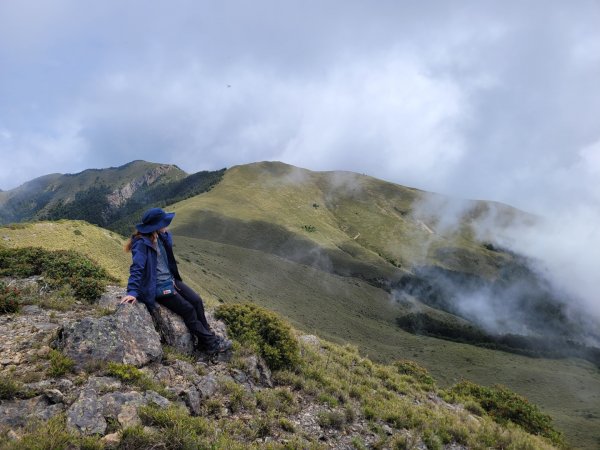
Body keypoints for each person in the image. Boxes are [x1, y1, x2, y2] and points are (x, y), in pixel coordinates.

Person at [120, 207, 231, 355]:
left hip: (170, 280)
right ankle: (209, 343)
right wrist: (132, 291)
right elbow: (137, 268)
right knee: (188, 310)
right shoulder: (141, 243)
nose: (167, 225)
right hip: (158, 286)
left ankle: (207, 334)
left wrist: (163, 234)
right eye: (163, 223)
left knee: (197, 300)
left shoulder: (159, 237)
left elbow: (168, 245)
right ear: (155, 226)